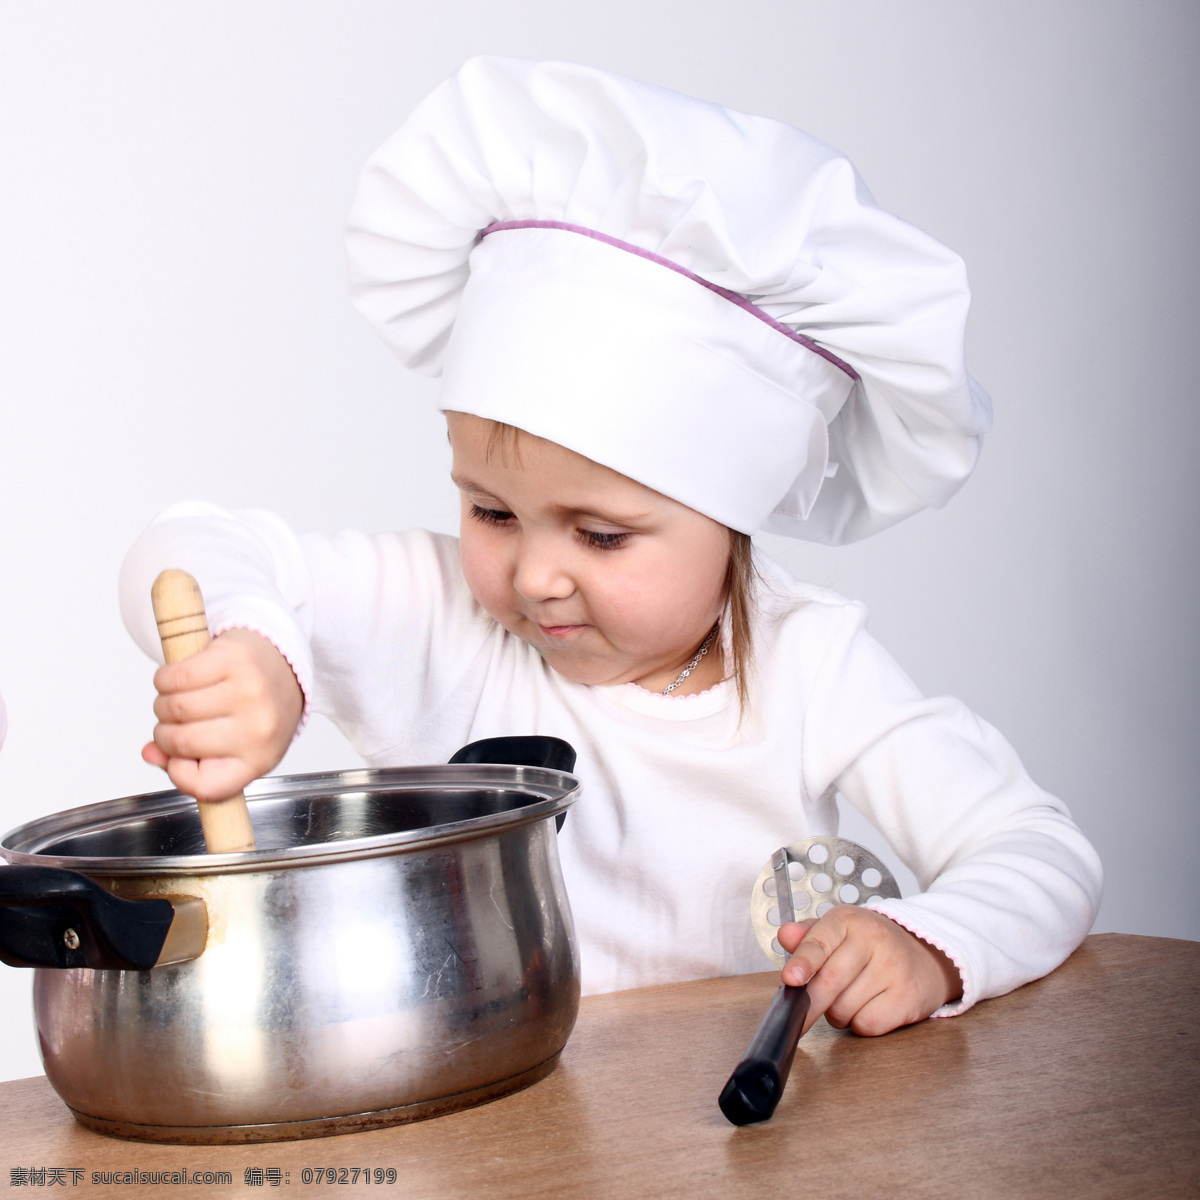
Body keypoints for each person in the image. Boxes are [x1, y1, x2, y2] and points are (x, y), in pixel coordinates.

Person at [120, 57, 1102, 1038]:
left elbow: (1037, 851)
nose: (536, 575)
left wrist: (930, 943)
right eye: (492, 512)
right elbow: (190, 543)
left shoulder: (814, 671)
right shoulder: (444, 622)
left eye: (600, 533)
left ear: (731, 515)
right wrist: (258, 653)